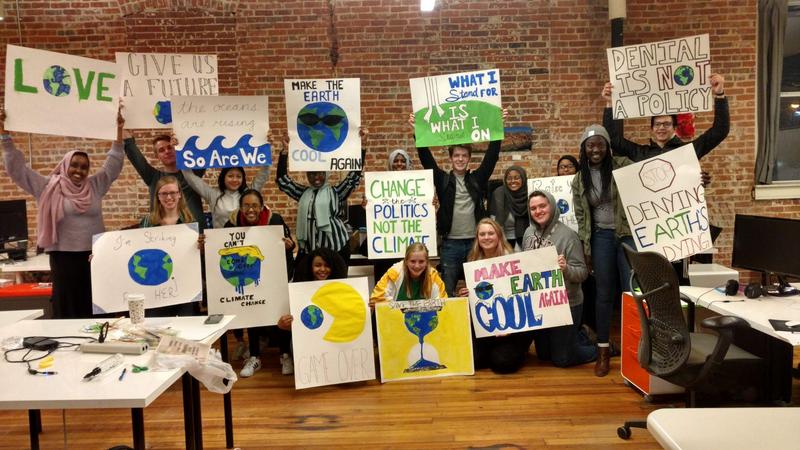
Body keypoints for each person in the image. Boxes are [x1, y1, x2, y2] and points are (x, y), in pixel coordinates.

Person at [1, 110, 125, 319]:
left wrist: (118, 130)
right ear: (65, 165)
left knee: (96, 305)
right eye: (74, 165)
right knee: (68, 307)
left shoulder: (95, 185)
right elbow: (17, 170)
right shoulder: (48, 187)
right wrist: (4, 134)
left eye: (84, 167)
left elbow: (114, 164)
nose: (79, 170)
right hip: (63, 258)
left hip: (94, 257)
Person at [410, 109, 508, 296]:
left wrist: (498, 127)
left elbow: (491, 157)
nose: (460, 159)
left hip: (476, 243)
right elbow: (426, 159)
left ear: (469, 158)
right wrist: (417, 132)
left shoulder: (477, 179)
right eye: (457, 156)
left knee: (480, 290)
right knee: (447, 292)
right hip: (450, 245)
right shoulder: (443, 180)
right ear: (451, 158)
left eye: (464, 156)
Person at [571, 124, 634, 377]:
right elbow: (581, 217)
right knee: (604, 294)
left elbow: (652, 179)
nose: (595, 149)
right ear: (584, 149)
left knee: (631, 291)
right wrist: (586, 250)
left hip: (627, 234)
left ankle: (636, 348)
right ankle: (603, 350)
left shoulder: (623, 165)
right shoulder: (579, 179)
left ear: (607, 146)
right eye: (590, 145)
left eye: (599, 144)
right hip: (601, 238)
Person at [225, 189, 296, 377]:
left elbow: (288, 250)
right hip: (249, 276)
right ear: (240, 207)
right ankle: (254, 356)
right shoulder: (230, 225)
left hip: (274, 278)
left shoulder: (275, 221)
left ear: (261, 206)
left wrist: (290, 248)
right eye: (246, 205)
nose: (251, 209)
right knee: (252, 315)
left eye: (255, 205)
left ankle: (285, 354)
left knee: (280, 314)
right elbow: (221, 247)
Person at [523, 191, 596, 368]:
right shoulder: (528, 232)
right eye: (533, 208)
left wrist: (565, 269)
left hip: (567, 303)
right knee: (544, 355)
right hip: (541, 302)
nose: (538, 211)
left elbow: (582, 273)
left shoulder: (568, 235)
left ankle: (601, 349)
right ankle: (581, 335)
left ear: (552, 206)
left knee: (562, 359)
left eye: (542, 206)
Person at [276, 131, 367, 265]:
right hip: (309, 252)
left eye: (319, 173)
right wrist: (285, 152)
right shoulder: (302, 193)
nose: (315, 177)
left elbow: (353, 177)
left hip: (337, 249)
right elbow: (282, 181)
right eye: (311, 174)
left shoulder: (336, 192)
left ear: (326, 173)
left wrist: (362, 148)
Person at [456, 218, 532, 374]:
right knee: (475, 362)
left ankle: (519, 351)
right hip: (486, 324)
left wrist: (510, 327)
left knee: (502, 365)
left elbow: (524, 296)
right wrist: (464, 294)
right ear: (477, 238)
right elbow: (472, 298)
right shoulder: (472, 262)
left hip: (512, 328)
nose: (486, 237)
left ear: (498, 236)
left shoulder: (513, 260)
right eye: (482, 234)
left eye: (491, 233)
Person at [259, 248, 348, 377]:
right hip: (307, 343)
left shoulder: (343, 289)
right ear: (310, 267)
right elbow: (294, 324)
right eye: (318, 265)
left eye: (327, 265)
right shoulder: (298, 292)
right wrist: (282, 325)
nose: (322, 269)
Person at [601, 74, 729, 162]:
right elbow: (612, 139)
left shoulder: (688, 151)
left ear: (675, 127)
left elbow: (719, 132)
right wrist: (610, 103)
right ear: (652, 128)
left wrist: (719, 94)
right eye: (657, 124)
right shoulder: (640, 153)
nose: (661, 128)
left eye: (666, 124)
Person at [139, 176, 198, 316]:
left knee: (187, 328)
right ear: (158, 197)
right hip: (156, 286)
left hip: (184, 286)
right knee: (156, 328)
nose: (169, 197)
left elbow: (195, 254)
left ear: (179, 194)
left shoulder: (190, 221)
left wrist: (200, 247)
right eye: (164, 193)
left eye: (172, 192)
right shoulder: (148, 221)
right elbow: (136, 251)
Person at [124, 133, 206, 225]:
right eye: (161, 150)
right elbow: (134, 154)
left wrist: (183, 146)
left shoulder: (193, 173)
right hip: (163, 234)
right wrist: (123, 131)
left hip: (196, 233)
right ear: (157, 156)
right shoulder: (152, 176)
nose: (167, 151)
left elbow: (204, 149)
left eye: (170, 147)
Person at [182, 165, 270, 229]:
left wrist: (267, 147)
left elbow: (263, 174)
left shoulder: (248, 194)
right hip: (220, 242)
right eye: (230, 176)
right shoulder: (213, 194)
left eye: (238, 176)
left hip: (246, 241)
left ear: (243, 179)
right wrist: (180, 152)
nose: (235, 180)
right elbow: (190, 178)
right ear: (223, 177)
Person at [370, 242, 446, 304]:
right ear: (406, 261)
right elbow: (376, 299)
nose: (417, 266)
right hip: (396, 319)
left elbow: (443, 302)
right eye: (412, 261)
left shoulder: (433, 276)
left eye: (421, 261)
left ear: (427, 262)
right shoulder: (395, 272)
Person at [488, 166, 529, 249]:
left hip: (526, 240)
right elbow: (493, 222)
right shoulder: (499, 194)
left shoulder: (530, 193)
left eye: (517, 178)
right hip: (502, 241)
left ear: (523, 179)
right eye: (509, 178)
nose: (513, 181)